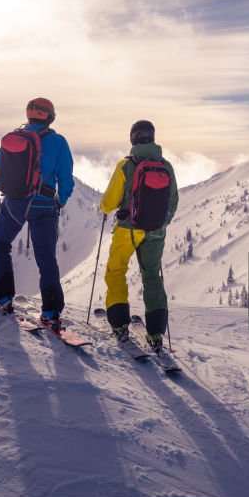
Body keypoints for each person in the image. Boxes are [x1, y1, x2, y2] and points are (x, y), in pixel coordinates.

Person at [0, 98, 74, 328]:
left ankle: (3, 299)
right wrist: (60, 201)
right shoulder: (58, 141)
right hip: (45, 205)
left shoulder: (14, 139)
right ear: (50, 116)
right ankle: (51, 312)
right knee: (46, 258)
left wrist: (13, 189)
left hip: (15, 204)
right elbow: (66, 179)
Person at [100, 120, 179, 350]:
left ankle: (119, 324)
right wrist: (161, 224)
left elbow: (109, 202)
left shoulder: (125, 165)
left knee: (116, 271)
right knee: (152, 276)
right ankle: (156, 333)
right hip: (155, 231)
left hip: (127, 229)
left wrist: (105, 209)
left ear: (133, 139)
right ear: (153, 138)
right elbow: (173, 201)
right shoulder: (166, 166)